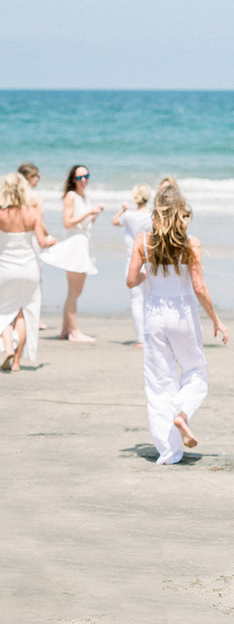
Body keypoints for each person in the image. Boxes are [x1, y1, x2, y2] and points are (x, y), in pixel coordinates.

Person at [127, 182, 227, 465]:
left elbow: (131, 280)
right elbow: (199, 288)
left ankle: (170, 452)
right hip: (183, 315)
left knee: (159, 381)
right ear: (180, 211)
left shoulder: (143, 242)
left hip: (155, 316)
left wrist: (148, 276)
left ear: (156, 212)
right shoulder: (190, 243)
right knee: (196, 372)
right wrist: (217, 320)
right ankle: (182, 414)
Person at [0, 172, 56, 371]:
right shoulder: (32, 213)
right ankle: (17, 362)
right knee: (24, 313)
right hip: (29, 269)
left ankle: (8, 348)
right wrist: (51, 241)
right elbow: (42, 242)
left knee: (4, 311)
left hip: (6, 269)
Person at [41, 165, 104, 343]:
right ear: (73, 180)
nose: (83, 180)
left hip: (84, 243)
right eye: (79, 177)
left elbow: (86, 223)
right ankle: (73, 331)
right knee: (74, 291)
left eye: (86, 176)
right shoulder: (71, 196)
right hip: (74, 245)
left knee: (76, 291)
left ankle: (65, 330)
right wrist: (88, 213)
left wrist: (94, 214)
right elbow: (67, 223)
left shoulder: (85, 196)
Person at [112, 184, 152, 346]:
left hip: (132, 260)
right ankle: (151, 335)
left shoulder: (128, 215)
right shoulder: (152, 216)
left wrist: (122, 209)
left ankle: (141, 338)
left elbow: (114, 221)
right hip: (150, 260)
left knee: (136, 300)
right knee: (150, 299)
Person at [18, 161, 51, 329]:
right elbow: (38, 221)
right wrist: (47, 235)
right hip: (34, 239)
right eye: (36, 176)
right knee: (36, 279)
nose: (38, 179)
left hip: (19, 239)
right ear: (29, 178)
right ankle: (34, 319)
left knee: (21, 278)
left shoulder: (15, 196)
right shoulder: (35, 197)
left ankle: (20, 315)